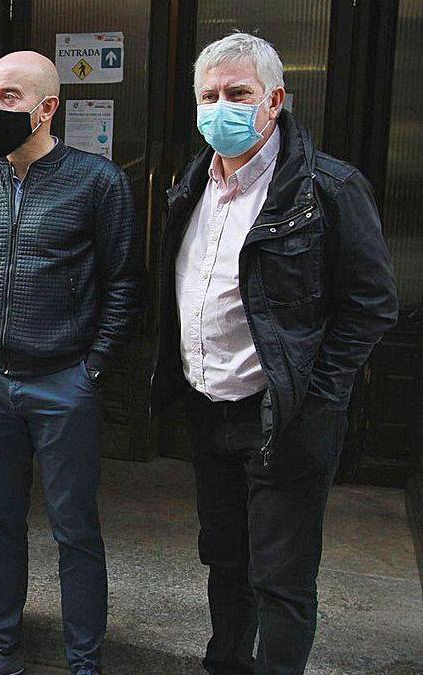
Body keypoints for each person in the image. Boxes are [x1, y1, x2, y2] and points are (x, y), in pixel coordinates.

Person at [150, 33, 398, 675]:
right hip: (211, 409)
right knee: (225, 559)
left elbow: (371, 303)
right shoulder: (191, 185)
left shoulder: (330, 189)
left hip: (285, 415)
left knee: (281, 577)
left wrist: (318, 394)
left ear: (275, 99)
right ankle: (225, 663)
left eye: (238, 94)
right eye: (208, 96)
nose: (220, 109)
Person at [0, 52, 142, 675]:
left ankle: (84, 660)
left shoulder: (99, 183)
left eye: (10, 97)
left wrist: (93, 368)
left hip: (63, 379)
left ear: (48, 108)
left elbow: (125, 284)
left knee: (74, 526)